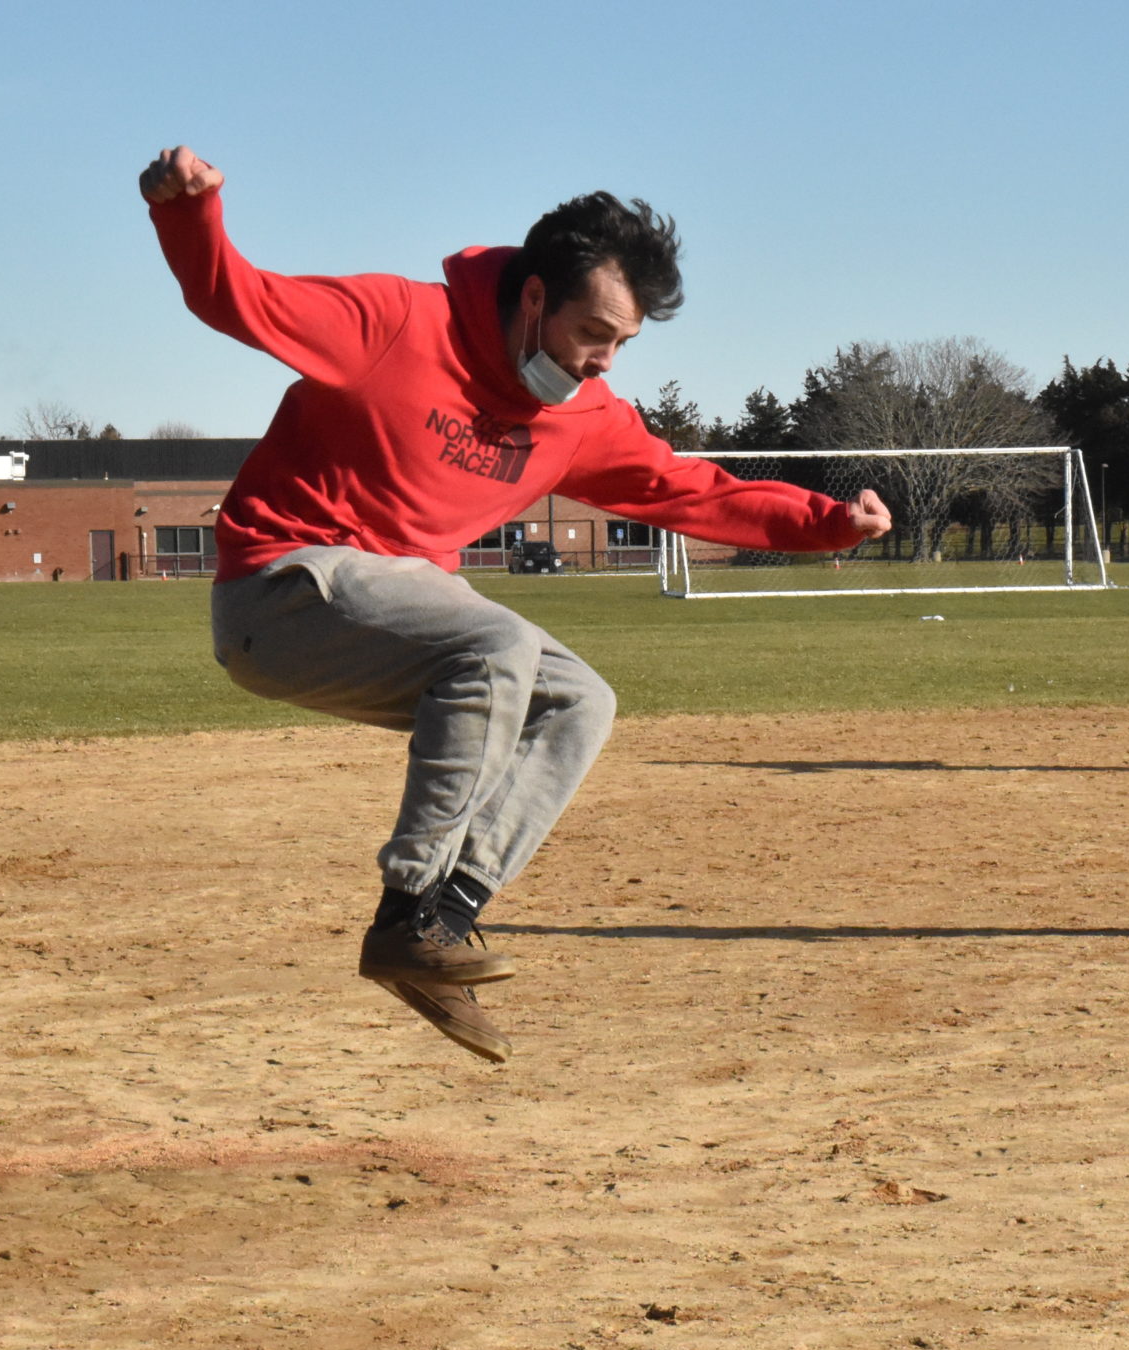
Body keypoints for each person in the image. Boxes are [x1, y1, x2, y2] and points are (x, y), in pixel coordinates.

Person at [140, 145, 892, 1064]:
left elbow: (692, 491)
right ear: (533, 296)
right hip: (284, 587)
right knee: (497, 644)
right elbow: (239, 299)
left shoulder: (582, 416)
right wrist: (189, 213)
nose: (602, 361)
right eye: (593, 332)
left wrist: (828, 522)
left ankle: (443, 924)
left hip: (396, 610)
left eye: (624, 345)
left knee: (581, 699)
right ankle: (407, 907)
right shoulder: (395, 321)